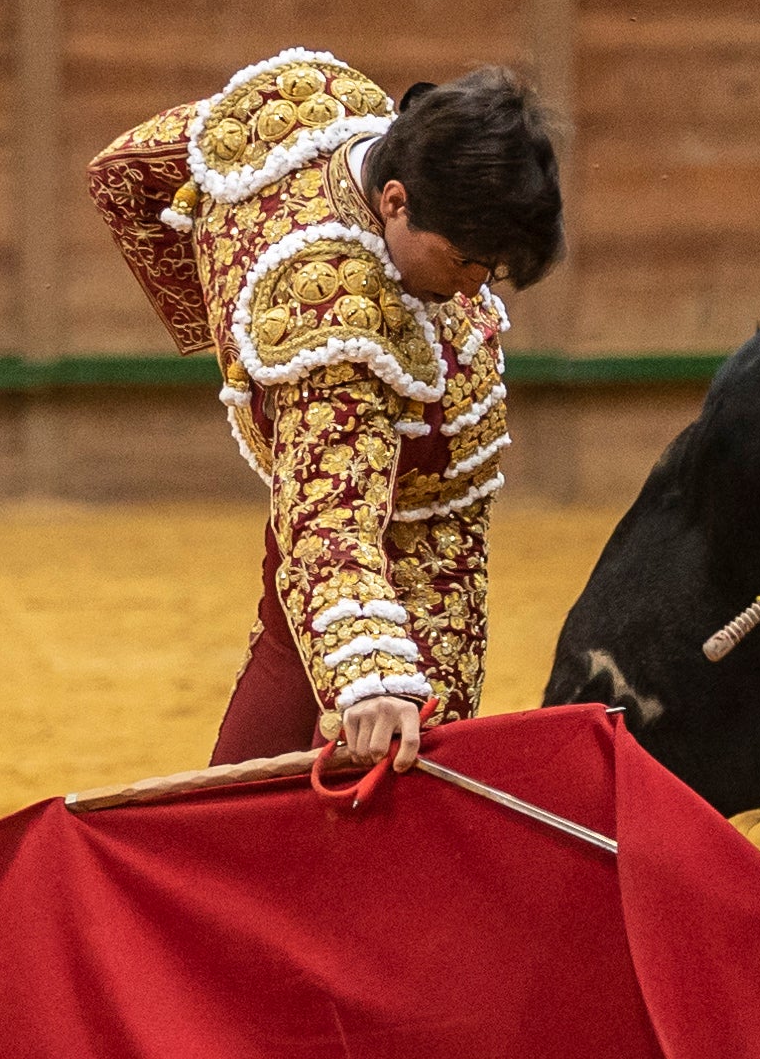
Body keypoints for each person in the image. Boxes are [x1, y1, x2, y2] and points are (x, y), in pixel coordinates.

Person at [87, 48, 562, 770]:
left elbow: (126, 174)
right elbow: (332, 526)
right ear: (395, 200)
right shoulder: (337, 328)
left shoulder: (312, 109)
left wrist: (228, 323)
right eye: (466, 259)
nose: (473, 289)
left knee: (246, 790)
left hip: (329, 544)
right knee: (396, 793)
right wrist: (371, 676)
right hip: (404, 561)